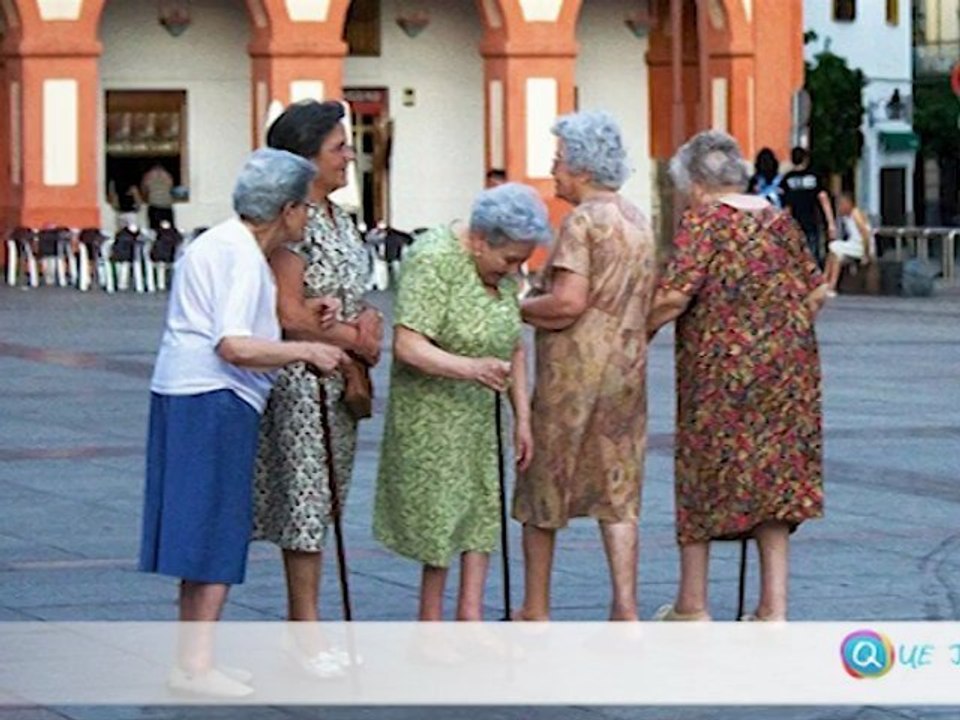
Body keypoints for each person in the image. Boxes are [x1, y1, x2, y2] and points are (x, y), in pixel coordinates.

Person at [138, 148, 344, 697]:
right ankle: (197, 666)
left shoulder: (224, 244)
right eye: (303, 207)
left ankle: (193, 659)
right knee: (214, 528)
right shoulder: (239, 255)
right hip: (212, 397)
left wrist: (304, 318)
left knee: (204, 527)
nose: (306, 218)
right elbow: (232, 344)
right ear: (286, 210)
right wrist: (306, 353)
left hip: (191, 392)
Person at [647, 130, 827, 622]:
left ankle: (693, 604)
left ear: (697, 182)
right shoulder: (780, 221)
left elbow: (673, 295)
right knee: (776, 482)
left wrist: (635, 335)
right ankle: (773, 607)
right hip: (787, 375)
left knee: (703, 475)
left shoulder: (704, 221)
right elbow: (814, 293)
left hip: (719, 376)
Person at [373, 182, 551, 621]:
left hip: (479, 410)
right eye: (509, 260)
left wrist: (522, 418)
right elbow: (409, 345)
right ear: (477, 240)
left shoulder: (503, 274)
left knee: (482, 507)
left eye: (522, 262)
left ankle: (469, 615)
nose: (514, 272)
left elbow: (514, 346)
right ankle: (431, 622)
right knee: (441, 515)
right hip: (433, 412)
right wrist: (469, 368)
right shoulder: (434, 259)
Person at [253, 100, 383, 676]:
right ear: (306, 159)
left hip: (342, 379)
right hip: (304, 381)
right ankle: (303, 634)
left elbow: (346, 291)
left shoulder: (339, 216)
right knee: (305, 507)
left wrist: (365, 324)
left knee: (325, 502)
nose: (350, 154)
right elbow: (290, 312)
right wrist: (357, 335)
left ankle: (305, 627)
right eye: (338, 146)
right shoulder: (293, 220)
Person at [512, 110, 656, 622]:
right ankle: (626, 606)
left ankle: (535, 608)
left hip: (573, 374)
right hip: (627, 372)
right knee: (619, 490)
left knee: (544, 486)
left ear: (582, 168)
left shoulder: (582, 221)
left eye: (558, 162)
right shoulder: (639, 220)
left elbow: (569, 302)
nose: (554, 172)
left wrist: (519, 307)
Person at [781, 146, 836, 266]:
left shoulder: (787, 179)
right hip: (812, 219)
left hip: (795, 222)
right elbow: (823, 199)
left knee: (796, 255)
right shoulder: (814, 176)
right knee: (813, 254)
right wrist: (831, 223)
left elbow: (786, 206)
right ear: (805, 159)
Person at [824, 192, 873, 296]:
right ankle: (828, 283)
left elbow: (865, 234)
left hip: (861, 246)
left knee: (834, 246)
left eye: (841, 204)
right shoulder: (846, 217)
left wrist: (866, 254)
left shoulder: (856, 213)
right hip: (853, 245)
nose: (839, 208)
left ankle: (829, 284)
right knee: (836, 254)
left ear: (849, 204)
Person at [141, 163, 176, 232]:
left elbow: (144, 189)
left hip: (154, 204)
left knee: (154, 229)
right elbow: (171, 187)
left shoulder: (148, 176)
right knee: (169, 229)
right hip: (167, 204)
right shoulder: (167, 176)